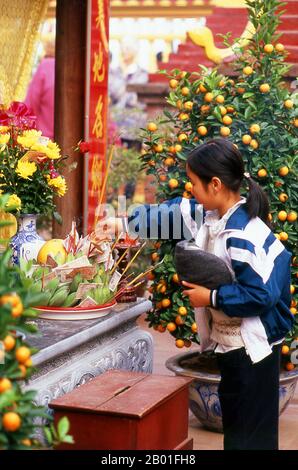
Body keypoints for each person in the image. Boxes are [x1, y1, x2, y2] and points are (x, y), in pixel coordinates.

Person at [97, 138, 293, 450]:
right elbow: (170, 214)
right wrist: (120, 222)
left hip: (254, 351)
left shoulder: (242, 236)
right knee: (239, 429)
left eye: (193, 183)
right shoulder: (211, 215)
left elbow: (261, 296)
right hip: (234, 346)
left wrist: (211, 297)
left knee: (251, 437)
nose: (189, 192)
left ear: (214, 184)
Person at [25, 39, 55, 139]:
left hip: (44, 139)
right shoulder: (74, 65)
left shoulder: (46, 65)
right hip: (72, 139)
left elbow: (31, 103)